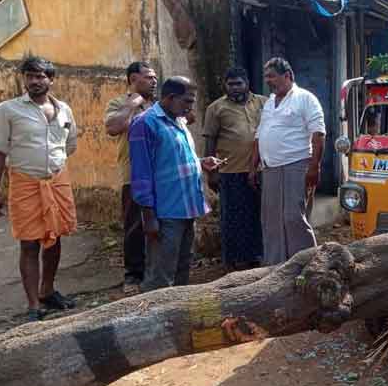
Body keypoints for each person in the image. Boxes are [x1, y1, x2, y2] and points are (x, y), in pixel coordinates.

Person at [0, 57, 78, 321]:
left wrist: (52, 166)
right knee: (29, 243)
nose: (34, 81)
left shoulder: (64, 109)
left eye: (41, 76)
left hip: (57, 181)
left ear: (51, 80)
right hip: (25, 183)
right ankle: (33, 305)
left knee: (55, 238)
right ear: (24, 80)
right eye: (30, 76)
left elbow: (69, 146)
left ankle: (47, 291)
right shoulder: (7, 110)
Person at [129, 76, 223, 291]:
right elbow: (141, 174)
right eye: (188, 101)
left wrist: (200, 163)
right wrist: (149, 217)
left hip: (187, 208)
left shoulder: (178, 120)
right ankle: (152, 320)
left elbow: (172, 159)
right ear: (171, 98)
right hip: (165, 213)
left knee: (182, 270)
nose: (191, 107)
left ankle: (176, 319)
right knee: (160, 277)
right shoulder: (145, 124)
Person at [252, 57, 325, 265]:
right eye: (266, 77)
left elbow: (318, 134)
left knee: (294, 217)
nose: (268, 81)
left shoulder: (305, 98)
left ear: (288, 76)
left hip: (297, 165)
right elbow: (259, 135)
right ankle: (275, 266)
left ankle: (307, 264)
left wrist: (315, 167)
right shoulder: (268, 104)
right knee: (271, 220)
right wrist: (253, 165)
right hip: (270, 168)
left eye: (272, 76)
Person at [203, 68, 266, 269]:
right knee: (232, 218)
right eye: (230, 84)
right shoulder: (215, 108)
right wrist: (211, 172)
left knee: (257, 215)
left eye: (238, 83)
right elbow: (210, 140)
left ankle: (255, 257)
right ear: (225, 85)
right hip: (230, 171)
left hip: (260, 169)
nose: (235, 88)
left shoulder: (263, 103)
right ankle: (232, 260)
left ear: (247, 82)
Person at [104, 61, 158, 294]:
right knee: (135, 226)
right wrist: (135, 102)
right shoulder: (118, 103)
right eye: (148, 77)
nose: (154, 81)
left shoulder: (159, 104)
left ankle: (158, 271)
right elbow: (114, 127)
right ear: (133, 80)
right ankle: (133, 275)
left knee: (163, 224)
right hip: (134, 175)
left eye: (155, 77)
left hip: (162, 174)